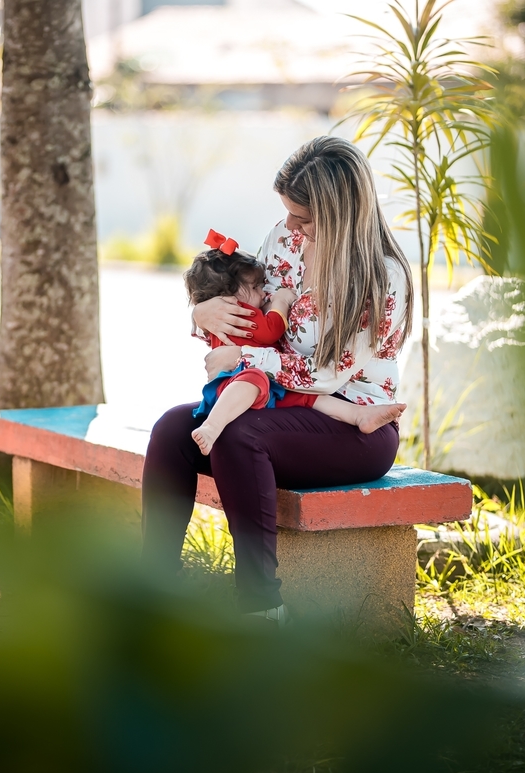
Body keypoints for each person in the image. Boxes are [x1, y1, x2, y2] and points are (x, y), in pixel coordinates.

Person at [142, 136, 413, 625]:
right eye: (287, 212)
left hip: (354, 427)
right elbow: (244, 304)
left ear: (339, 215)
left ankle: (261, 606)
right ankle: (154, 588)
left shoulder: (382, 277)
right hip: (277, 408)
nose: (289, 226)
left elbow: (326, 376)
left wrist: (245, 355)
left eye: (303, 217)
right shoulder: (285, 242)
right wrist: (204, 312)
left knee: (238, 433)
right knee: (171, 429)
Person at [185, 230, 407, 456]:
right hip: (244, 380)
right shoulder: (240, 312)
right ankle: (212, 426)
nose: (264, 294)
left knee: (298, 401)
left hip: (286, 382)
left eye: (301, 215)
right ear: (230, 294)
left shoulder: (384, 272)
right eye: (256, 288)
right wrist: (279, 302)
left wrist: (238, 351)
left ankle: (359, 414)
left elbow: (326, 375)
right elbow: (270, 330)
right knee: (176, 425)